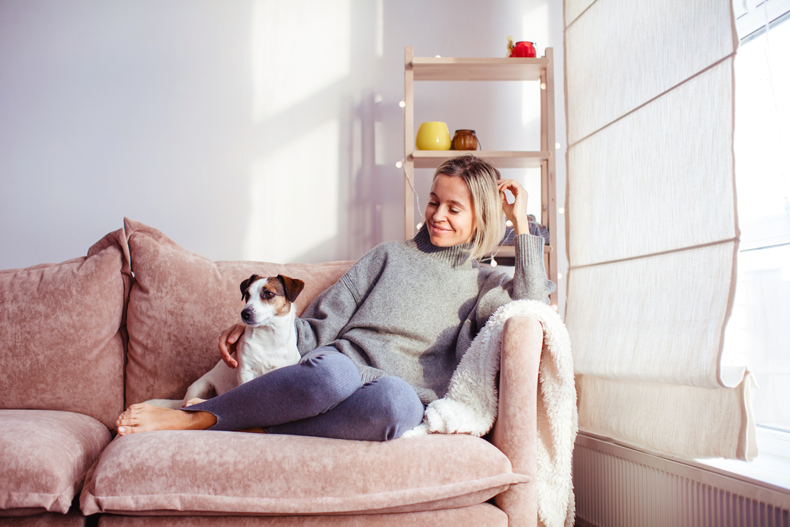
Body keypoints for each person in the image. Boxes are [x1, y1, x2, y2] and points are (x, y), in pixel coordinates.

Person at [116, 155, 555, 441]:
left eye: (454, 209)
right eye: (434, 201)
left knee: (397, 410)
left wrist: (520, 223)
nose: (437, 215)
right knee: (331, 377)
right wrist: (261, 322)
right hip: (335, 371)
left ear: (482, 216)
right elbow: (319, 323)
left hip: (387, 391)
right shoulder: (388, 256)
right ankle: (200, 417)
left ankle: (257, 421)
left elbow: (532, 303)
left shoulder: (484, 285)